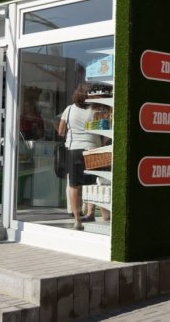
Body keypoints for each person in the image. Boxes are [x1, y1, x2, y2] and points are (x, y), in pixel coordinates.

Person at [58, 83, 101, 230]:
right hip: (93, 148)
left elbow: (61, 131)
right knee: (94, 183)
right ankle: (90, 213)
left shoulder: (69, 109)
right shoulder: (96, 109)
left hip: (74, 148)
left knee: (74, 185)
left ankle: (77, 219)